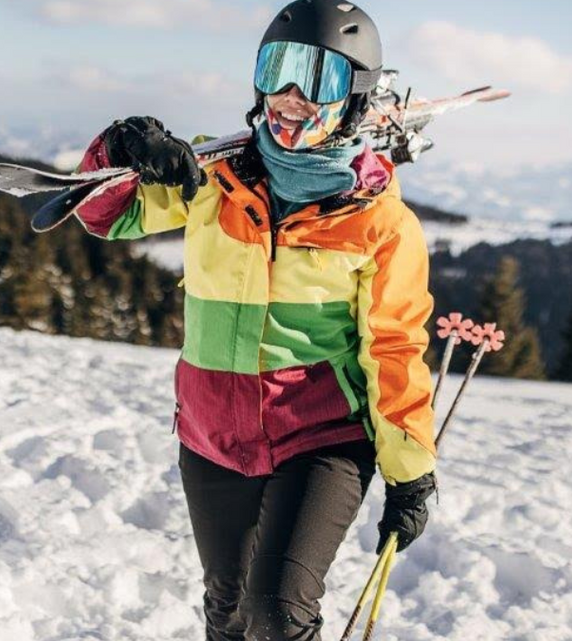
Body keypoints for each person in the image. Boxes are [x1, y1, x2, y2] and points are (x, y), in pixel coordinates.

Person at [70, 2, 437, 639]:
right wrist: (123, 144)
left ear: (354, 97)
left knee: (276, 613)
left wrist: (410, 472)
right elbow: (106, 215)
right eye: (277, 69)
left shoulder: (378, 221)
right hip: (213, 433)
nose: (291, 95)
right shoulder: (212, 180)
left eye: (317, 77)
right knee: (229, 610)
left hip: (320, 437)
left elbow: (395, 347)